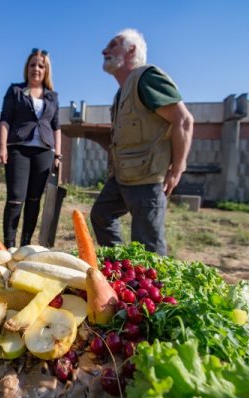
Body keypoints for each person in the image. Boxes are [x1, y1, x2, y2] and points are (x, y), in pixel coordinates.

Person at [90, 29, 194, 256]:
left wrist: (177, 168)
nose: (104, 50)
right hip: (123, 176)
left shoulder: (147, 78)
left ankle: (152, 284)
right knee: (101, 215)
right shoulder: (121, 93)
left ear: (131, 50)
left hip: (148, 179)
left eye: (114, 44)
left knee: (148, 247)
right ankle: (123, 268)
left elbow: (183, 120)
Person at [0, 48, 62, 248]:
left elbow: (56, 126)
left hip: (44, 152)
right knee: (16, 199)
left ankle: (26, 245)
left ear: (46, 70)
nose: (36, 69)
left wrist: (58, 154)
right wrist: (3, 146)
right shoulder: (15, 90)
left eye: (41, 66)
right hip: (19, 150)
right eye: (33, 64)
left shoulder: (52, 96)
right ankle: (10, 245)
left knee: (34, 200)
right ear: (27, 68)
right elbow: (5, 119)